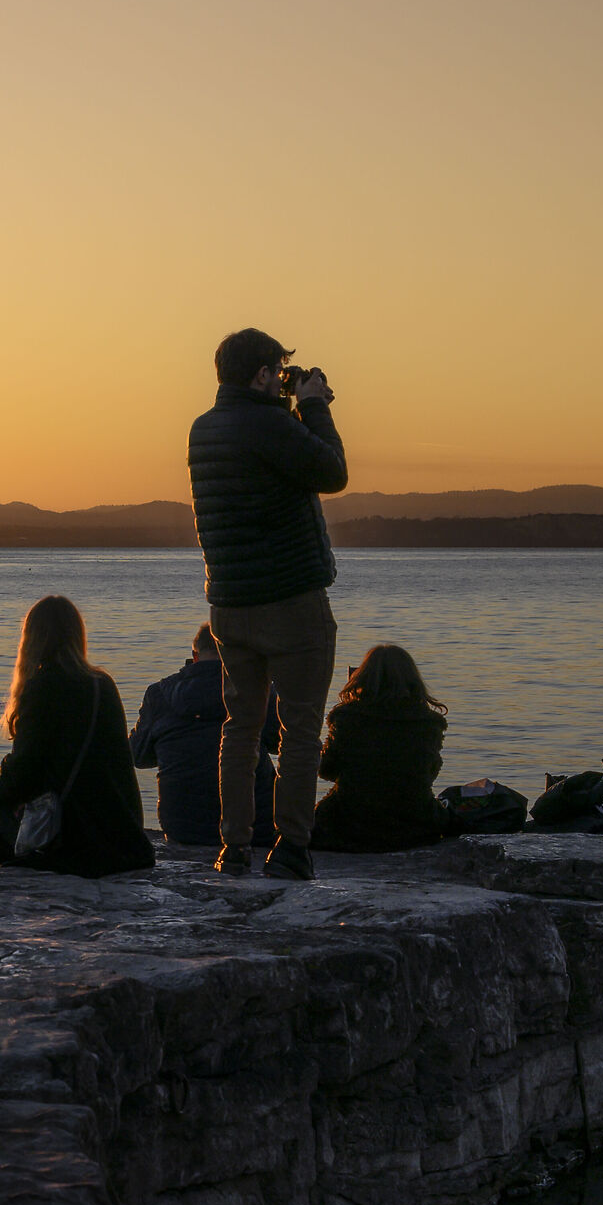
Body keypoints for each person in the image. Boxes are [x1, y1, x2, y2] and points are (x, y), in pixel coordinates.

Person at [188, 327, 348, 880]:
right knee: (300, 729)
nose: (282, 382)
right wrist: (313, 405)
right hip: (291, 602)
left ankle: (232, 850)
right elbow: (332, 472)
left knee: (241, 727)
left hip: (229, 604)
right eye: (278, 374)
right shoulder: (271, 422)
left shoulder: (204, 429)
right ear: (261, 374)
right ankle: (292, 849)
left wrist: (293, 407)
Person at [0, 595, 155, 877]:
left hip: (78, 848)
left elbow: (23, 776)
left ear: (31, 639)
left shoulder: (43, 686)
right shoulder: (103, 685)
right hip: (124, 843)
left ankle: (11, 904)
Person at [129, 623, 279, 847]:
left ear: (194, 655)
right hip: (256, 826)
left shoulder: (159, 694)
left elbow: (137, 756)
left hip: (183, 828)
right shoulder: (259, 690)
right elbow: (281, 743)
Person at [310, 644, 449, 853]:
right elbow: (427, 774)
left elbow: (327, 770)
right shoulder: (429, 722)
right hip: (414, 825)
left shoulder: (346, 717)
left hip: (348, 823)